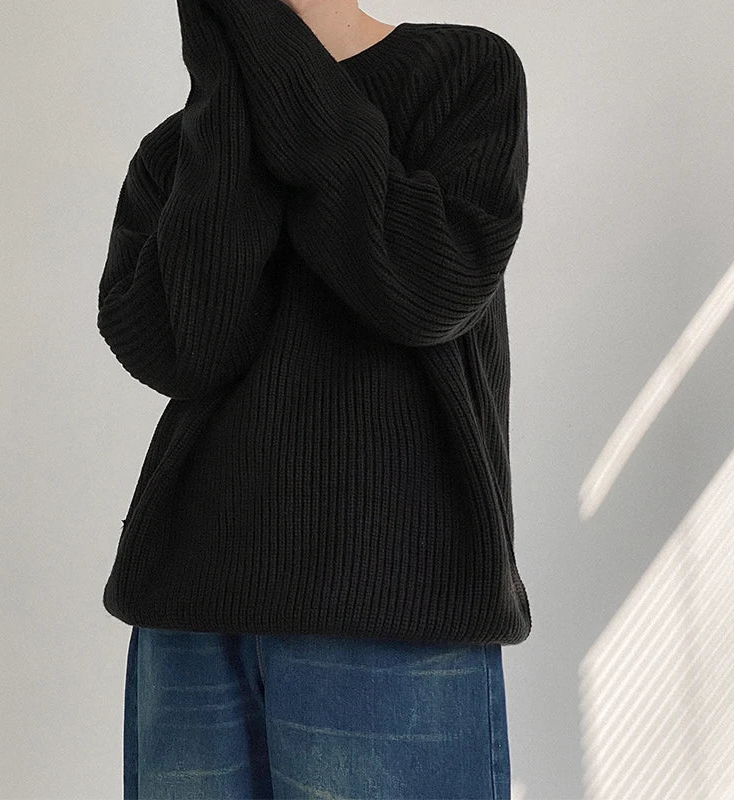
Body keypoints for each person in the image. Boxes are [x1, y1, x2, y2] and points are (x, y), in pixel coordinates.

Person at [97, 0, 531, 796]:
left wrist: (252, 25)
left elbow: (420, 288)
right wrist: (229, 86)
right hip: (188, 612)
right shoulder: (177, 150)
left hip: (393, 608)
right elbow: (182, 349)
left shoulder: (465, 74)